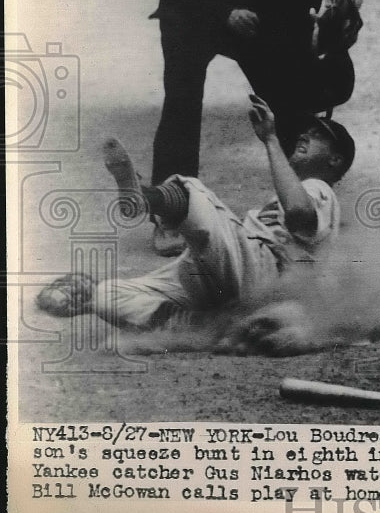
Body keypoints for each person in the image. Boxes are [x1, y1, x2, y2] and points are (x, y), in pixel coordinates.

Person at [149, 0, 362, 255]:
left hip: (255, 20)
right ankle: (170, 213)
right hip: (195, 19)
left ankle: (304, 202)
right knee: (182, 101)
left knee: (286, 98)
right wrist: (223, 14)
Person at [36, 96, 354, 335]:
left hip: (262, 271)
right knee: (109, 296)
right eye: (307, 130)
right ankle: (204, 326)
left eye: (318, 134)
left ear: (334, 160)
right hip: (229, 277)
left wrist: (271, 139)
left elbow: (299, 213)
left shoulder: (319, 189)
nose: (306, 134)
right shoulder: (310, 194)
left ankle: (143, 198)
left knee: (192, 191)